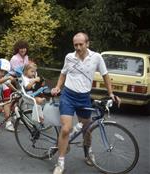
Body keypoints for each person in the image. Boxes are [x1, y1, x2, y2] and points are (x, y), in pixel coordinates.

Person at [51, 32, 121, 174]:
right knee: (66, 129)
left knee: (87, 130)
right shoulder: (69, 57)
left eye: (80, 44)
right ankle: (60, 163)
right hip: (68, 96)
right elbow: (63, 73)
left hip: (84, 97)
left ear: (87, 43)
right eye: (75, 45)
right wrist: (58, 86)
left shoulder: (96, 57)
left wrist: (111, 93)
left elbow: (105, 75)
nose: (78, 47)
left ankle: (88, 153)